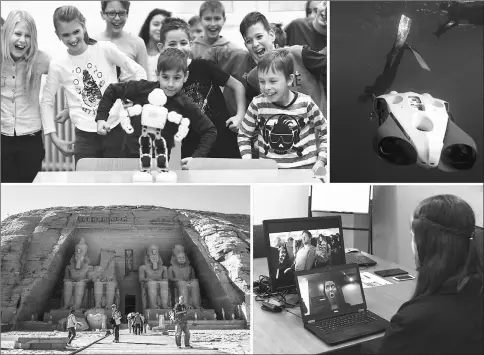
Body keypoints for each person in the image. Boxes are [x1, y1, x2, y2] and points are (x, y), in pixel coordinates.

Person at [40, 5, 146, 164]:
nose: (72, 39)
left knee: (116, 183)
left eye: (76, 32)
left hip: (115, 130)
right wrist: (53, 137)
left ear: (83, 26)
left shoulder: (105, 49)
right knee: (86, 184)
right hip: (84, 137)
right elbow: (47, 101)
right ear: (58, 35)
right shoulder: (57, 65)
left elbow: (138, 71)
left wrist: (134, 97)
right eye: (65, 35)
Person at [378, 194, 483, 354]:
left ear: (426, 246)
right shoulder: (475, 293)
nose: (411, 245)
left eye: (413, 237)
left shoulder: (412, 321)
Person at [95, 47, 217, 169]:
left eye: (176, 78)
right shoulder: (143, 88)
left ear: (185, 76)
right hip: (129, 159)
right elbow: (113, 89)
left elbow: (210, 130)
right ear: (157, 74)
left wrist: (196, 158)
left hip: (159, 164)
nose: (170, 84)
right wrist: (101, 118)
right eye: (165, 77)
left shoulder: (185, 103)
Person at [158, 17, 246, 158]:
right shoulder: (164, 84)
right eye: (172, 44)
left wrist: (240, 116)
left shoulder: (204, 66)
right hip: (192, 150)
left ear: (191, 44)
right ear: (161, 48)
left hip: (223, 143)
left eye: (183, 43)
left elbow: (238, 86)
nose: (179, 48)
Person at [238, 49, 327, 171]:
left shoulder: (306, 103)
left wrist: (321, 160)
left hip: (305, 171)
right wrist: (247, 163)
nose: (267, 87)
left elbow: (326, 131)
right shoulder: (257, 104)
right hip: (269, 173)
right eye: (262, 81)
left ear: (289, 80)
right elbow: (244, 135)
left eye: (273, 81)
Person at [242, 11, 327, 114]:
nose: (255, 44)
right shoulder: (252, 79)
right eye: (249, 41)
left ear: (272, 35)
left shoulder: (298, 54)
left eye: (259, 37)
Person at [1, 10, 50, 183]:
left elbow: (66, 76)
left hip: (30, 138)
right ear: (7, 34)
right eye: (18, 34)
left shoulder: (41, 59)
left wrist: (67, 108)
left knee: (28, 191)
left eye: (27, 36)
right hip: (3, 137)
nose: (22, 40)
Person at [95, 1, 149, 81]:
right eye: (111, 13)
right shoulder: (92, 42)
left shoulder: (137, 43)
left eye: (121, 13)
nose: (117, 18)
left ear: (127, 14)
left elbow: (145, 81)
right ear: (102, 14)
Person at [138, 8, 172, 81]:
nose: (160, 28)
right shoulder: (137, 50)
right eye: (156, 24)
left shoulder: (171, 54)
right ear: (148, 26)